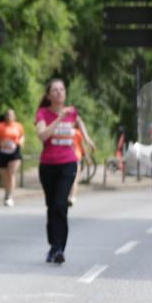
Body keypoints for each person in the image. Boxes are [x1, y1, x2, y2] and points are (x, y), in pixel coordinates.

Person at [35, 78, 94, 264]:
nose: (59, 92)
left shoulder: (72, 112)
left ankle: (59, 248)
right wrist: (59, 117)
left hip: (68, 163)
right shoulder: (43, 113)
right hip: (48, 165)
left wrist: (87, 138)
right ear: (48, 95)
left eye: (62, 89)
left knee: (61, 204)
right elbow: (42, 135)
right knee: (52, 206)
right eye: (55, 90)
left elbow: (79, 121)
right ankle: (53, 244)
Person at [0, 109, 25, 207]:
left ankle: (10, 196)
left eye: (11, 115)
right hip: (2, 151)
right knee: (4, 175)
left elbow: (22, 136)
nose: (9, 117)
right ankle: (6, 192)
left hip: (14, 152)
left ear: (14, 116)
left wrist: (19, 142)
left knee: (11, 173)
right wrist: (0, 143)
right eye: (7, 115)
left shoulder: (18, 126)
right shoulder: (0, 126)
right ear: (5, 116)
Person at [69, 125, 94, 207]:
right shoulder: (78, 133)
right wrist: (87, 158)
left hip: (66, 156)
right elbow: (82, 147)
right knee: (75, 179)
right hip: (76, 157)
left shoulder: (65, 131)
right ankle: (72, 197)